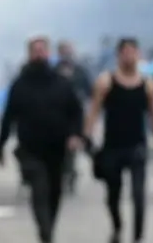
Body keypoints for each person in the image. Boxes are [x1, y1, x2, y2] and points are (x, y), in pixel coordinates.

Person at [0, 37, 83, 243]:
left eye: (42, 50)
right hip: (30, 150)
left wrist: (75, 134)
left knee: (55, 192)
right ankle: (45, 233)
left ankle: (49, 229)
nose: (39, 54)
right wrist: (0, 145)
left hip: (57, 150)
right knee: (39, 189)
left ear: (48, 53)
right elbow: (8, 117)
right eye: (35, 50)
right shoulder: (20, 85)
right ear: (29, 54)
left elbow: (76, 112)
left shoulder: (62, 83)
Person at [84, 38, 153, 243]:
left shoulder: (148, 84)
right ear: (119, 55)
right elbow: (93, 111)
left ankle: (138, 237)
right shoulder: (106, 81)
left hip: (137, 146)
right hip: (112, 146)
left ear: (138, 55)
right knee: (113, 194)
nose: (130, 56)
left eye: (133, 52)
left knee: (139, 196)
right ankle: (117, 226)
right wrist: (88, 136)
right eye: (126, 52)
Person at [55, 40, 92, 195]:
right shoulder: (53, 71)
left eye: (69, 51)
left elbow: (89, 90)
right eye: (64, 51)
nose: (67, 54)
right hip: (56, 114)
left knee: (72, 145)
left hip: (75, 114)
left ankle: (70, 173)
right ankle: (62, 173)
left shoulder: (80, 71)